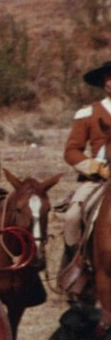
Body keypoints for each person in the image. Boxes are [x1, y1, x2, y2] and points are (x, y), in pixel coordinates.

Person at [61, 61, 111, 264]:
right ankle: (77, 264)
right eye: (109, 77)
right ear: (103, 82)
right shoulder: (88, 113)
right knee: (72, 217)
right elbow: (71, 151)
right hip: (98, 179)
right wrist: (94, 167)